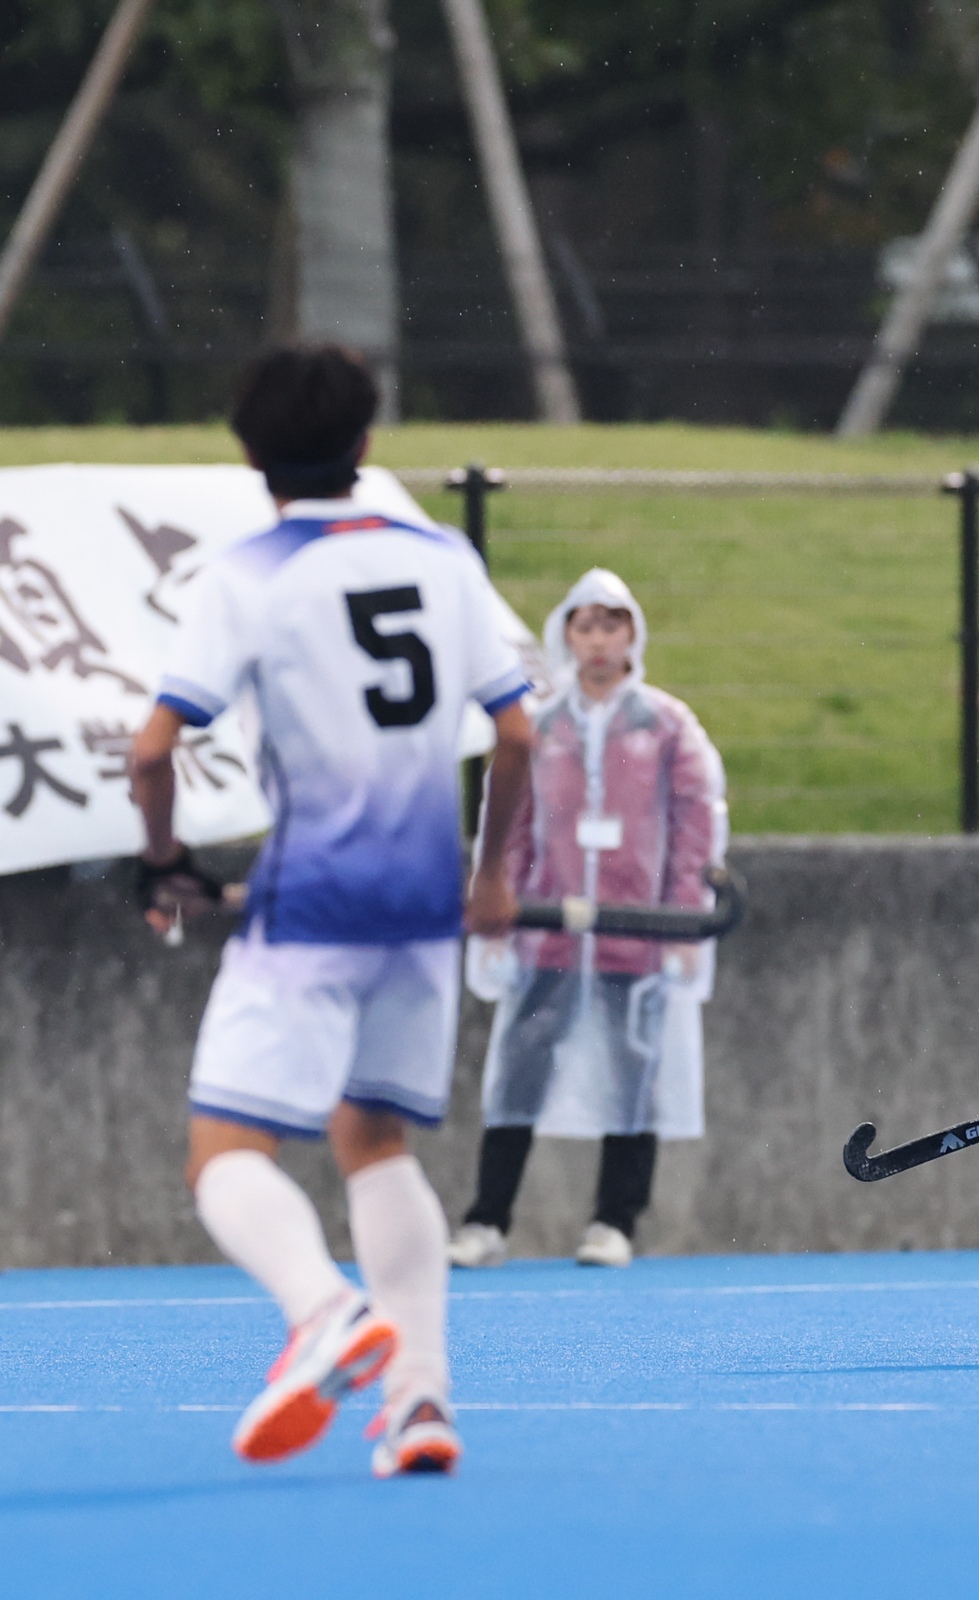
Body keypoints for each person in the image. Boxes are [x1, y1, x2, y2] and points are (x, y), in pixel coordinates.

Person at [129, 343, 534, 1476]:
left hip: (310, 903)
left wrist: (163, 860)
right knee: (375, 1139)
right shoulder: (442, 556)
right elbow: (515, 730)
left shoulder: (251, 574)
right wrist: (492, 877)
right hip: (424, 906)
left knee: (224, 1151)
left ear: (249, 453)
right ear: (364, 443)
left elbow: (153, 749)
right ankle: (420, 1401)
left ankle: (323, 1310)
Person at [449, 569, 725, 1271]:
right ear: (566, 636)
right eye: (586, 625)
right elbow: (511, 821)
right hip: (549, 929)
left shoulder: (667, 725)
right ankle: (486, 1219)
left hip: (635, 932)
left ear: (632, 634)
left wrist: (682, 918)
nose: (599, 640)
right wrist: (501, 906)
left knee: (634, 1073)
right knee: (518, 1072)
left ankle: (614, 1219)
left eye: (611, 624)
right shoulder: (540, 725)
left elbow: (695, 824)